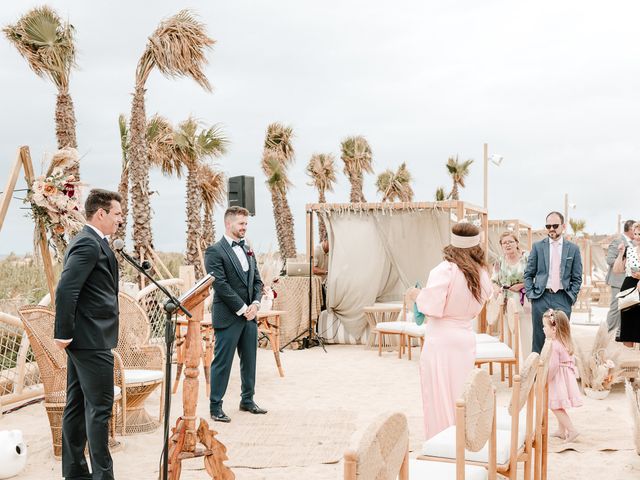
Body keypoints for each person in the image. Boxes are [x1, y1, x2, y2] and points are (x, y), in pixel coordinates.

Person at [54, 189, 123, 480]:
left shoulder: (94, 241)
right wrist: (63, 333)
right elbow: (66, 289)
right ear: (101, 214)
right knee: (100, 409)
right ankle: (102, 477)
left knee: (77, 405)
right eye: (117, 214)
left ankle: (74, 472)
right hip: (90, 340)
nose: (121, 219)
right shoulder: (88, 244)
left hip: (90, 338)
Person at [408, 222, 493, 440]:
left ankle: (442, 442)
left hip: (441, 340)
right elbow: (477, 309)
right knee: (461, 392)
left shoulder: (444, 270)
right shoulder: (482, 274)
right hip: (465, 338)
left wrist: (416, 294)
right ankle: (463, 440)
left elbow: (432, 307)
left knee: (439, 394)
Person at [205, 206, 266, 422]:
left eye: (246, 224)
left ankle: (247, 400)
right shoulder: (214, 251)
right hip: (228, 316)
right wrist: (243, 309)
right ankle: (215, 407)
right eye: (241, 224)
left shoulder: (248, 248)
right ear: (228, 224)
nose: (244, 228)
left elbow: (257, 280)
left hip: (250, 316)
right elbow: (219, 284)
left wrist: (256, 305)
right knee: (222, 362)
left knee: (250, 360)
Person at [524, 211, 582, 354]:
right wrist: (531, 295)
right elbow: (528, 274)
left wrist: (571, 297)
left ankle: (560, 374)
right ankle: (538, 375)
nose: (551, 229)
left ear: (563, 226)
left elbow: (577, 277)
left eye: (555, 225)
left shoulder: (573, 249)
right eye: (548, 226)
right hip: (541, 297)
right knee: (539, 338)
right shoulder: (538, 247)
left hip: (563, 298)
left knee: (562, 339)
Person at [491, 231, 533, 361]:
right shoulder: (500, 261)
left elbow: (536, 276)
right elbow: (493, 280)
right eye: (504, 243)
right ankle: (511, 365)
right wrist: (497, 289)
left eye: (510, 242)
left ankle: (527, 363)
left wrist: (521, 285)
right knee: (509, 334)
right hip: (507, 302)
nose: (507, 245)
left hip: (524, 300)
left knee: (527, 333)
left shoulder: (527, 257)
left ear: (517, 243)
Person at [543, 309, 582, 442]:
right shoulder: (565, 341)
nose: (543, 329)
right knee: (559, 404)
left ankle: (572, 430)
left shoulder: (554, 345)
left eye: (545, 326)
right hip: (566, 378)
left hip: (558, 378)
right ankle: (561, 430)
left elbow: (553, 366)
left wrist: (545, 379)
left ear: (554, 329)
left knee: (555, 406)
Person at [612, 222, 640, 347]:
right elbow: (617, 270)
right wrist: (620, 253)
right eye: (635, 233)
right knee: (628, 328)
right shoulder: (629, 250)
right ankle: (629, 363)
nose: (637, 237)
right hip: (629, 290)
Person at [605, 219, 635, 334]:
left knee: (627, 308)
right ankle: (608, 333)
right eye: (635, 229)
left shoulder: (635, 243)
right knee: (615, 309)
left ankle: (621, 333)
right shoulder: (617, 241)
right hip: (618, 282)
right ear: (630, 229)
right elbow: (609, 260)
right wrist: (627, 262)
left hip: (630, 282)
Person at [312, 238, 329, 308]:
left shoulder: (332, 251)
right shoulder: (316, 250)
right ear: (324, 240)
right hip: (315, 284)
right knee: (321, 307)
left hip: (325, 284)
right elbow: (313, 269)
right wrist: (327, 272)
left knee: (325, 306)